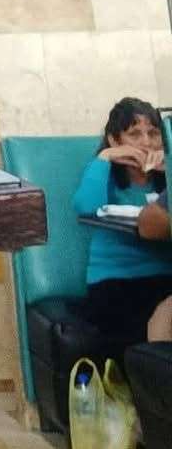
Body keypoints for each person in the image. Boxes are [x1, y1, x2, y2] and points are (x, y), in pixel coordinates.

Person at [72, 96, 172, 344]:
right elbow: (86, 207)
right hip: (117, 282)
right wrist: (106, 156)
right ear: (115, 139)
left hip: (164, 277)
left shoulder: (166, 177)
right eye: (135, 134)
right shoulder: (105, 174)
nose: (146, 142)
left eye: (153, 133)